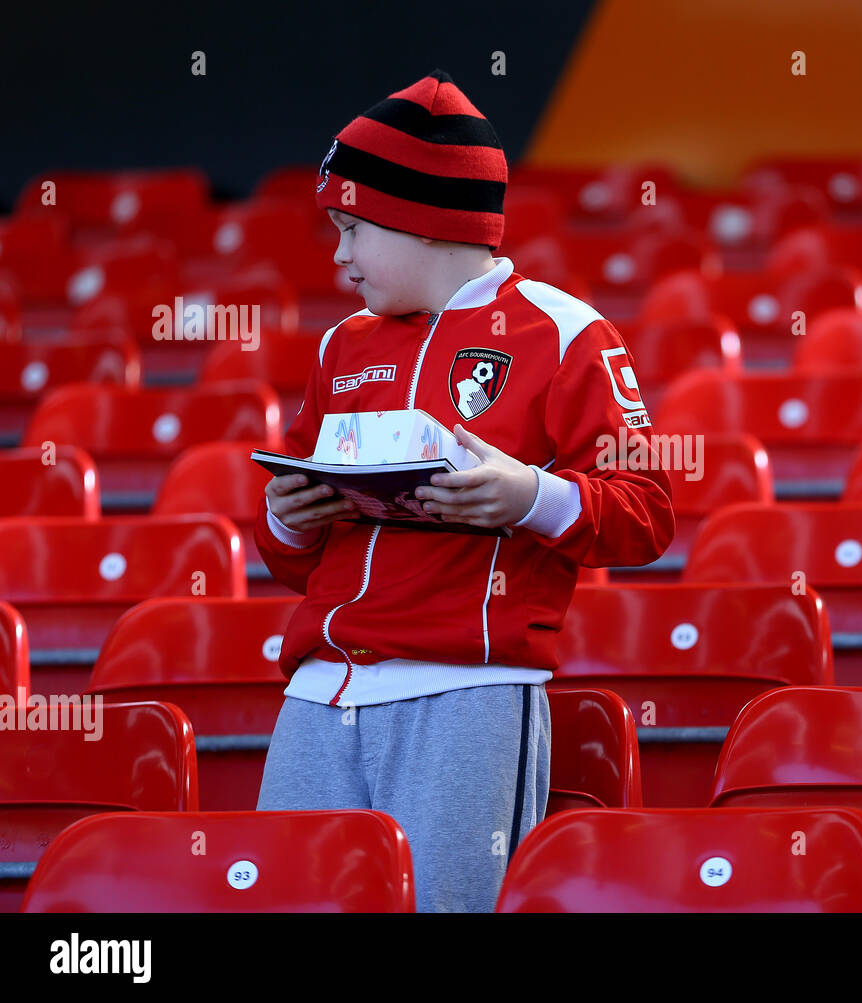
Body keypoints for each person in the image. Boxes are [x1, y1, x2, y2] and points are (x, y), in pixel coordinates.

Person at [253, 69, 675, 913]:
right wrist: (285, 519)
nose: (337, 256)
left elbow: (648, 514)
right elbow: (295, 555)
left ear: (425, 223)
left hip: (467, 694)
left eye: (351, 227)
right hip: (314, 692)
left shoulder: (564, 330)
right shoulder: (342, 344)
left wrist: (531, 497)